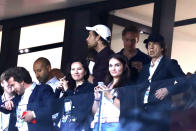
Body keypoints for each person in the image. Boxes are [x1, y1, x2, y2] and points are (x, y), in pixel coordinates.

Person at [137, 34, 187, 131]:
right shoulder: (145, 68)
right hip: (143, 112)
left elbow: (185, 82)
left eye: (155, 44)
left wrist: (168, 90)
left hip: (160, 113)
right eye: (149, 44)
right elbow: (139, 88)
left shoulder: (169, 63)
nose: (151, 47)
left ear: (162, 47)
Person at [0, 67, 55, 131]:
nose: (12, 89)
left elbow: (52, 107)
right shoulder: (18, 96)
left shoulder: (42, 89)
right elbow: (6, 109)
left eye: (13, 85)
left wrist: (33, 114)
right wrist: (6, 104)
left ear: (21, 82)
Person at [91, 54, 131, 131]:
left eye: (117, 65)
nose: (113, 68)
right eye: (111, 65)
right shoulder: (107, 85)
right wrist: (96, 98)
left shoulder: (127, 85)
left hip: (114, 125)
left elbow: (126, 107)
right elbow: (95, 112)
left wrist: (108, 95)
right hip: (98, 124)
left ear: (124, 67)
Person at [55, 60, 94, 131]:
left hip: (80, 127)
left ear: (85, 72)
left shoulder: (89, 87)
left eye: (79, 69)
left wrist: (67, 89)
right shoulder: (70, 88)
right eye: (73, 69)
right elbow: (54, 106)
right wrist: (58, 90)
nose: (76, 72)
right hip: (64, 127)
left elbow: (80, 105)